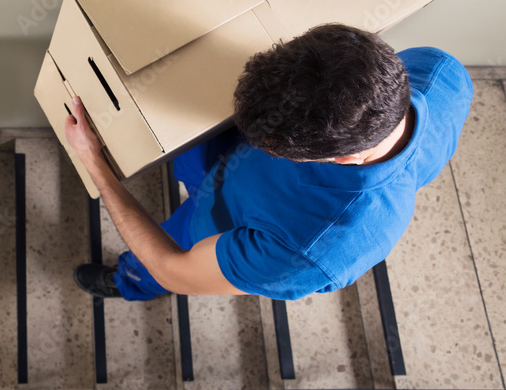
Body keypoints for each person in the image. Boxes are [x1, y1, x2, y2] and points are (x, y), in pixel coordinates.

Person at [67, 24, 473, 301]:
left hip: (217, 223)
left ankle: (127, 283)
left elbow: (176, 270)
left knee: (152, 267)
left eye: (274, 146)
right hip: (222, 159)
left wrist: (96, 165)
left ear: (341, 157)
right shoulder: (439, 72)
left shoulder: (311, 249)